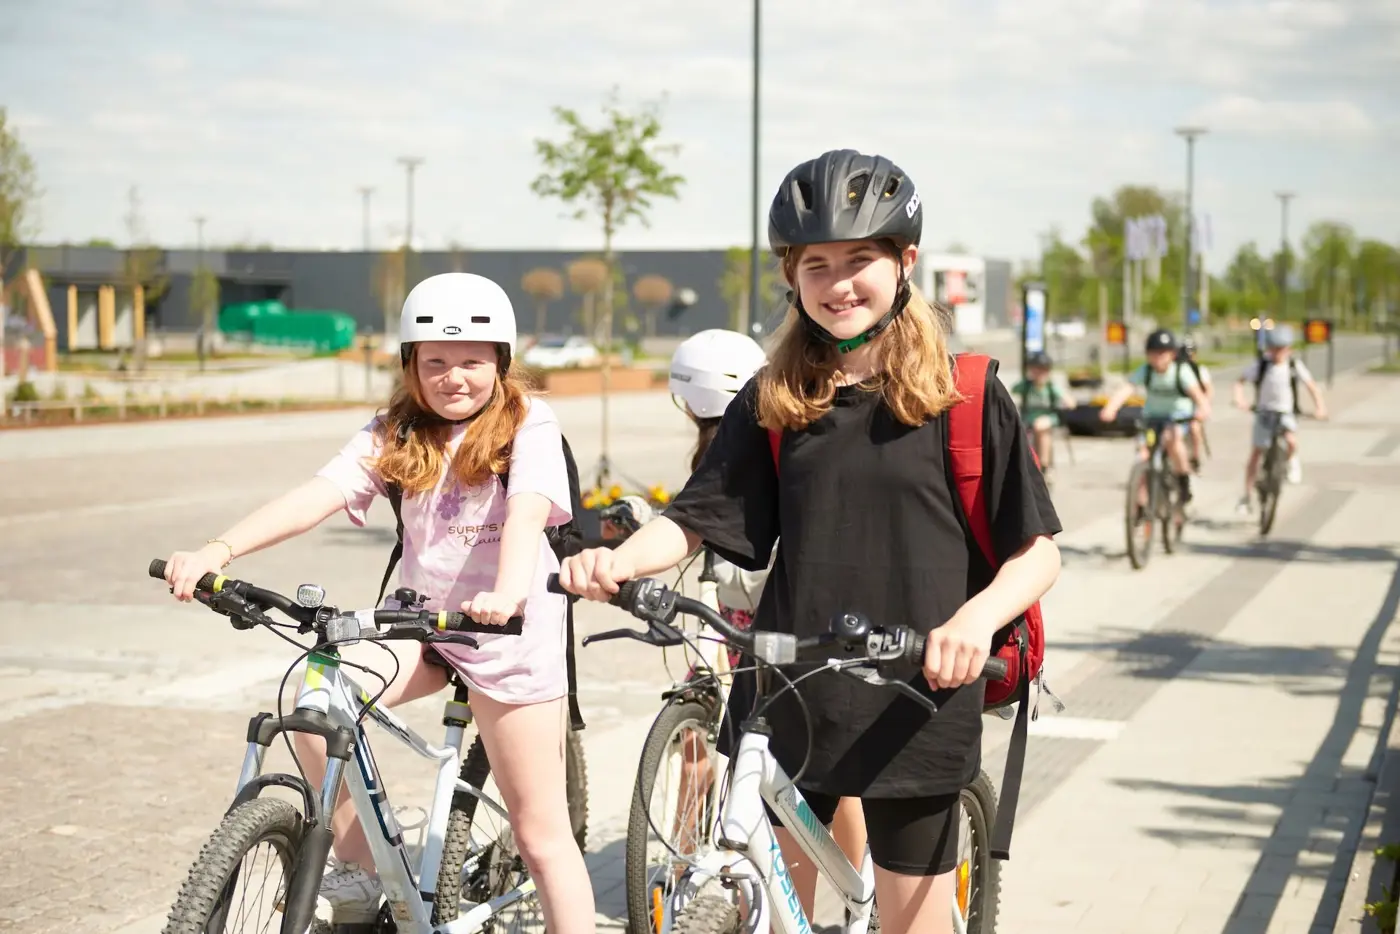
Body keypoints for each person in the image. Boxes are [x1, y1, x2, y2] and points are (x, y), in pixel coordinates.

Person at [559, 149, 1062, 934]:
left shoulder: (964, 395)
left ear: (905, 262)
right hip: (789, 693)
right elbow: (697, 518)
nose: (838, 284)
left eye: (860, 260)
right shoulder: (775, 398)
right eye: (816, 264)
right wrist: (617, 561)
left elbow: (1038, 553)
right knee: (775, 915)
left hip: (916, 700)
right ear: (791, 275)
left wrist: (973, 621)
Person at [160, 273, 595, 932]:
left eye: (473, 362)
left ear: (501, 362)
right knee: (315, 700)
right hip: (417, 624)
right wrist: (218, 550)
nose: (454, 378)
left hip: (508, 633)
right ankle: (364, 871)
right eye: (436, 362)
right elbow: (319, 494)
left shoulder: (528, 421)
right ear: (410, 364)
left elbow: (528, 512)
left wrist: (507, 592)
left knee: (540, 837)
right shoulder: (396, 430)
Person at [665, 327, 871, 869]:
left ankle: (679, 865)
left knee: (708, 750)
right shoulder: (769, 432)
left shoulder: (739, 448)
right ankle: (853, 887)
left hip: (747, 624)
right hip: (765, 622)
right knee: (825, 776)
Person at [1100, 328, 1212, 504]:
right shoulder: (1146, 371)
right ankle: (1140, 506)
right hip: (1152, 416)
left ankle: (1183, 479)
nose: (1158, 358)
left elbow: (1198, 395)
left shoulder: (1181, 371)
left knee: (1172, 438)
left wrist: (1203, 409)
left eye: (1163, 353)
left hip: (1177, 415)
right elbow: (1127, 389)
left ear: (1172, 354)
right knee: (1143, 454)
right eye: (1154, 353)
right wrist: (1111, 408)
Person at [1233, 323, 1327, 513]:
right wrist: (1239, 399)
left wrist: (1320, 407)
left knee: (1291, 442)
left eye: (1282, 349)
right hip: (1264, 413)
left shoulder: (1293, 366)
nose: (1278, 353)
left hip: (1286, 413)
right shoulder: (1262, 365)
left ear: (1289, 349)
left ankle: (1291, 462)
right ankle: (1246, 496)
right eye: (1274, 349)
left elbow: (1311, 386)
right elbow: (1240, 382)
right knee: (1256, 453)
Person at [1011, 350, 1076, 479]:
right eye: (1036, 369)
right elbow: (1011, 391)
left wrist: (1065, 402)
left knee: (1041, 427)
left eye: (1043, 370)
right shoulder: (1026, 385)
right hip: (1028, 419)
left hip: (1048, 418)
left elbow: (1071, 402)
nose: (1039, 373)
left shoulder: (1051, 387)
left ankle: (1045, 465)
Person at [1177, 335, 1213, 472]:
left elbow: (1208, 390)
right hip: (1178, 407)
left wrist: (1203, 407)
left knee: (1194, 428)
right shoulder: (1176, 370)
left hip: (1195, 406)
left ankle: (1195, 457)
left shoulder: (1200, 370)